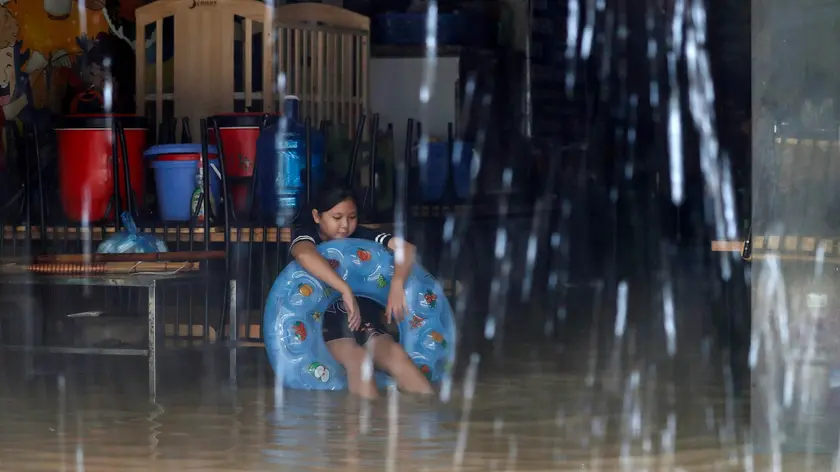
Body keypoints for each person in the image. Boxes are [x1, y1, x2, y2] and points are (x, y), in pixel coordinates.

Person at [289, 184, 434, 399]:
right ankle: (367, 428)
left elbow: (407, 249)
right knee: (359, 361)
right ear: (317, 216)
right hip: (325, 327)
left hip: (366, 324)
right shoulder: (307, 236)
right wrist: (344, 289)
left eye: (352, 217)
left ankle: (430, 420)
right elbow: (303, 255)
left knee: (397, 356)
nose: (345, 226)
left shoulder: (363, 237)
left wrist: (396, 284)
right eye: (336, 218)